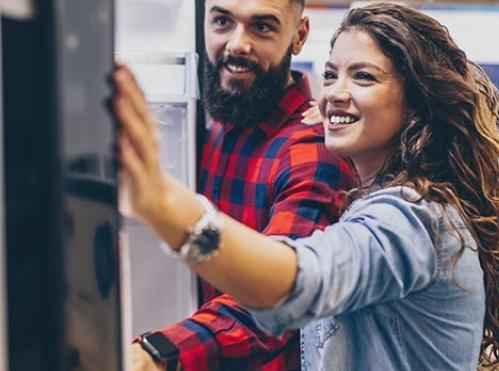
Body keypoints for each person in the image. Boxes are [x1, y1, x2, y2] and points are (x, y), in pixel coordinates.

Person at [114, 2, 499, 370]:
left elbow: (301, 281)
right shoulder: (370, 200)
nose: (335, 93)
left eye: (364, 78)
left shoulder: (413, 217)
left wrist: (163, 203)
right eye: (331, 75)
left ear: (418, 104)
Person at [123, 0, 357, 370]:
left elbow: (279, 300)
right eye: (222, 22)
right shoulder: (219, 121)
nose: (236, 44)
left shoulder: (312, 154)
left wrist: (154, 353)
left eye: (262, 27)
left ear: (299, 36)